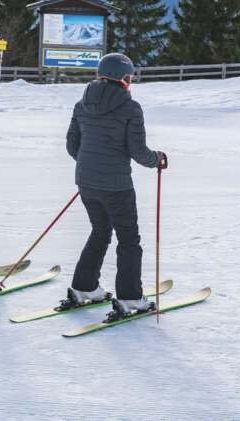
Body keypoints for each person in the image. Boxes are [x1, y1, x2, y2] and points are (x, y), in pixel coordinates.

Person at [65, 53, 168, 320]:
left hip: (86, 182)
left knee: (100, 232)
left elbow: (72, 146)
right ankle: (131, 297)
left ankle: (84, 288)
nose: (131, 81)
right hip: (116, 186)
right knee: (129, 240)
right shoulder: (130, 108)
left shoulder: (81, 104)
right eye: (130, 76)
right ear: (123, 77)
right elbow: (138, 151)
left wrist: (92, 166)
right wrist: (158, 159)